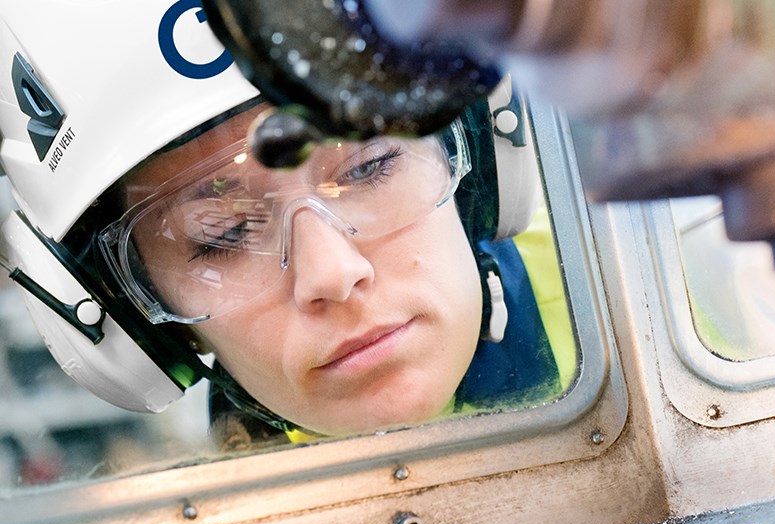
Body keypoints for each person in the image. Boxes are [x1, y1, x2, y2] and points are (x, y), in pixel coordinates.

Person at [0, 0, 572, 446]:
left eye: (369, 165)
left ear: (478, 154)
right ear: (132, 319)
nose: (333, 273)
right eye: (223, 233)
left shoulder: (624, 296)